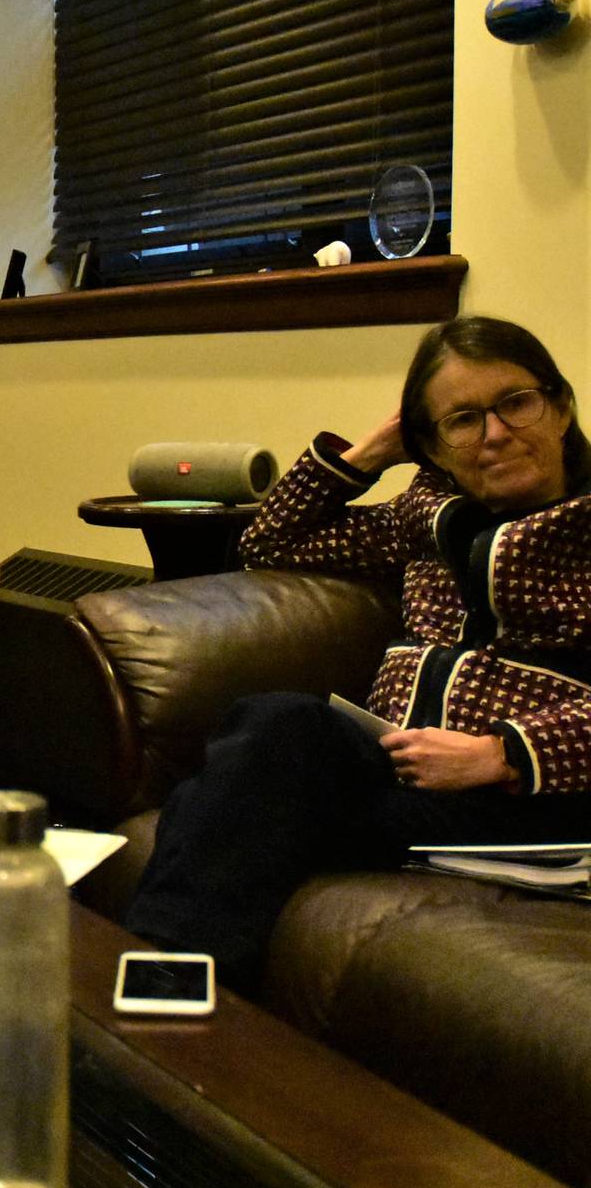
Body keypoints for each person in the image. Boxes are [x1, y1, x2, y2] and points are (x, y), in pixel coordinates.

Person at [126, 315, 591, 985]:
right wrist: (373, 450)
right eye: (462, 419)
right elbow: (270, 542)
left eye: (515, 403)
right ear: (430, 444)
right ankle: (170, 991)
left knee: (241, 790)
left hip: (523, 801)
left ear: (561, 404)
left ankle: (155, 981)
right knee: (266, 732)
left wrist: (502, 753)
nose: (494, 434)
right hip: (395, 770)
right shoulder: (424, 516)